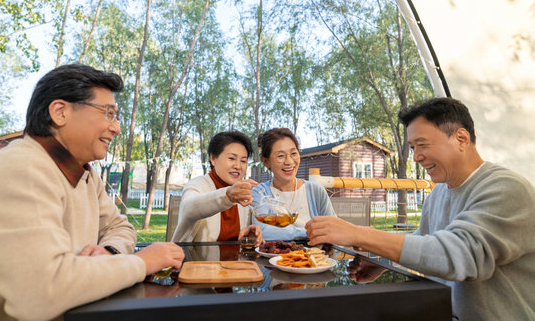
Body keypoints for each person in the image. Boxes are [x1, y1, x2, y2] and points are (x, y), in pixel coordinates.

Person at [305, 97, 535, 320]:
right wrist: (385, 262)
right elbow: (425, 241)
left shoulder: (507, 188)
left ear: (461, 139)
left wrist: (357, 234)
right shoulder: (440, 191)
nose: (416, 157)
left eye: (422, 145)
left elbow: (458, 255)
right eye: (413, 147)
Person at [0, 64, 185, 321]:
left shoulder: (85, 174)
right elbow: (41, 292)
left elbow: (121, 228)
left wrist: (108, 252)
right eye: (108, 113)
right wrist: (142, 263)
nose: (116, 128)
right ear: (60, 112)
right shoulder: (21, 167)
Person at [172, 131, 263, 244]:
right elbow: (189, 208)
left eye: (243, 161)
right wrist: (228, 195)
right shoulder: (197, 184)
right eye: (231, 158)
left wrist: (248, 235)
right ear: (213, 159)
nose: (238, 166)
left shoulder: (241, 192)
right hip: (194, 259)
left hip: (233, 261)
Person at [251, 128, 335, 240]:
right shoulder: (259, 192)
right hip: (272, 256)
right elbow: (262, 231)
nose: (289, 162)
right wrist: (310, 232)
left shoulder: (316, 191)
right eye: (280, 156)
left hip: (312, 257)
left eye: (293, 153)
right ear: (266, 162)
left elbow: (332, 229)